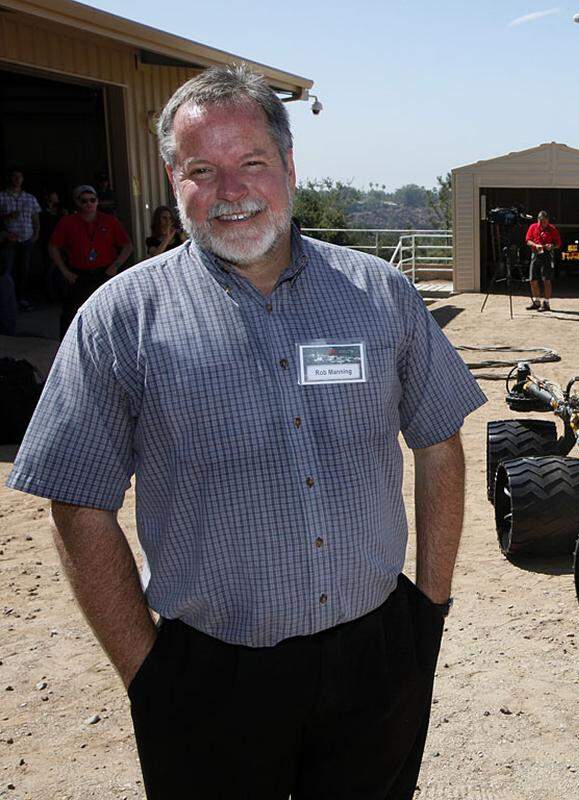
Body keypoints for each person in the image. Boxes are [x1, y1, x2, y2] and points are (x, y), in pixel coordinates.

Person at [6, 64, 485, 799]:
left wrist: (429, 609)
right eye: (204, 169)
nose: (232, 191)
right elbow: (77, 502)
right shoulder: (118, 319)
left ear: (289, 166)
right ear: (175, 181)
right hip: (207, 676)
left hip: (377, 654)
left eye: (252, 162)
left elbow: (438, 442)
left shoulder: (379, 294)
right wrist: (149, 672)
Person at [48, 185, 133, 337]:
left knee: (110, 312)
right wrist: (65, 272)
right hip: (78, 275)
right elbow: (53, 247)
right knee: (71, 315)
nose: (89, 204)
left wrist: (115, 266)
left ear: (97, 202)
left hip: (104, 272)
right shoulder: (67, 222)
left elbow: (127, 246)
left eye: (92, 200)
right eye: (84, 201)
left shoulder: (109, 221)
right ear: (77, 202)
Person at [0, 168, 41, 325]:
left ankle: (22, 299)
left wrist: (36, 234)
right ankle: (7, 301)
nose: (17, 180)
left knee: (24, 269)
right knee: (7, 271)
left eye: (20, 177)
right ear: (10, 179)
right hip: (9, 239)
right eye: (14, 177)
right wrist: (6, 217)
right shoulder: (2, 196)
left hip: (27, 238)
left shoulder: (29, 198)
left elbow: (35, 217)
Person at [525, 209, 560, 312]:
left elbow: (558, 244)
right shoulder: (533, 227)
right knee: (532, 279)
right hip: (535, 254)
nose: (542, 224)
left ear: (548, 220)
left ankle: (546, 303)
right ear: (538, 220)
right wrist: (535, 245)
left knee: (546, 280)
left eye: (544, 222)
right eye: (540, 221)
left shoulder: (552, 229)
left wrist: (551, 246)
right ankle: (536, 301)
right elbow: (528, 240)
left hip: (546, 255)